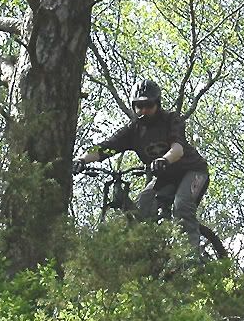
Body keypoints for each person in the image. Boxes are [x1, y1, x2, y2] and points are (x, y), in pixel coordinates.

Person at [73, 78, 212, 257]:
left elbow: (178, 149)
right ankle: (154, 257)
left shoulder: (170, 120)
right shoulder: (133, 130)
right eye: (139, 106)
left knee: (182, 206)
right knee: (142, 207)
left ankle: (192, 260)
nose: (144, 110)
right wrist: (82, 160)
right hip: (165, 178)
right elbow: (105, 148)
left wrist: (164, 159)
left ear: (157, 104)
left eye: (148, 105)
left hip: (193, 172)